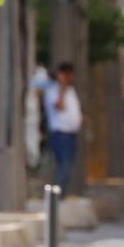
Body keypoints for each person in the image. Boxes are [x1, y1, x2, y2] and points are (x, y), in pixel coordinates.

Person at [43, 62, 84, 194]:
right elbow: (59, 106)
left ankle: (60, 196)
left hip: (71, 134)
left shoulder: (71, 91)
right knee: (64, 168)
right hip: (61, 135)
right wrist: (62, 87)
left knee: (67, 168)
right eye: (69, 75)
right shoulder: (53, 91)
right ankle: (55, 197)